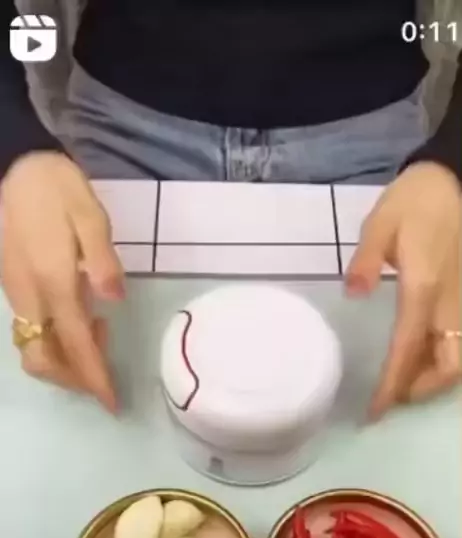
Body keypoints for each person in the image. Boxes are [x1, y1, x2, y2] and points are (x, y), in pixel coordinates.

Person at [0, 0, 460, 416]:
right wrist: (16, 148)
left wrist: (452, 161)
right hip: (123, 131)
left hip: (374, 147)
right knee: (74, 399)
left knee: (404, 406)